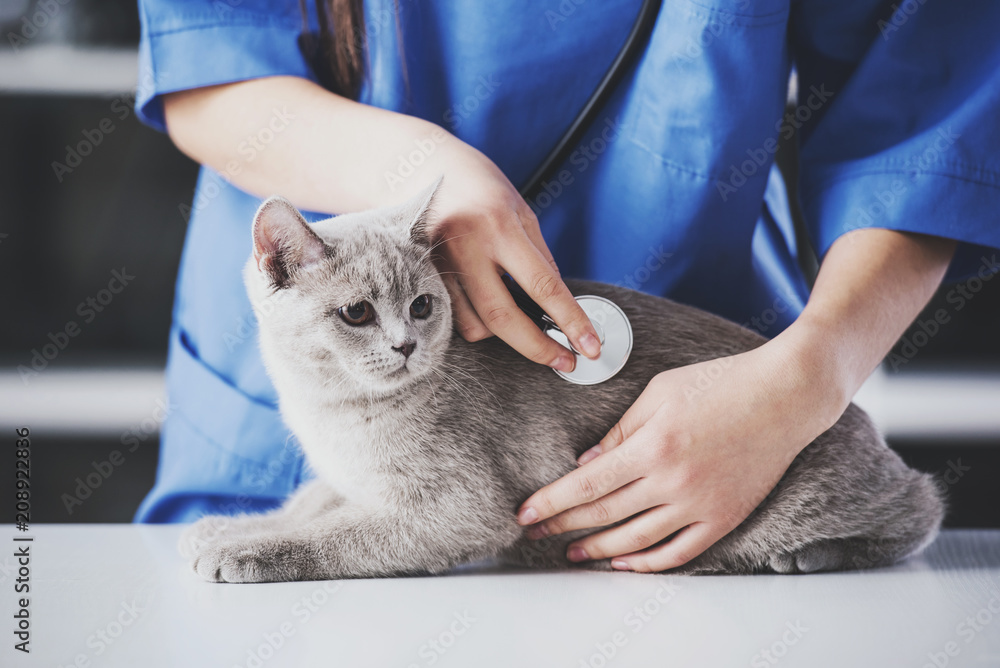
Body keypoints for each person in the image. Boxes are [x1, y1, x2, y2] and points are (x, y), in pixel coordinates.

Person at [135, 0, 1000, 572]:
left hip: (706, 407)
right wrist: (420, 170)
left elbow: (927, 123)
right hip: (301, 372)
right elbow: (208, 57)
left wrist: (808, 376)